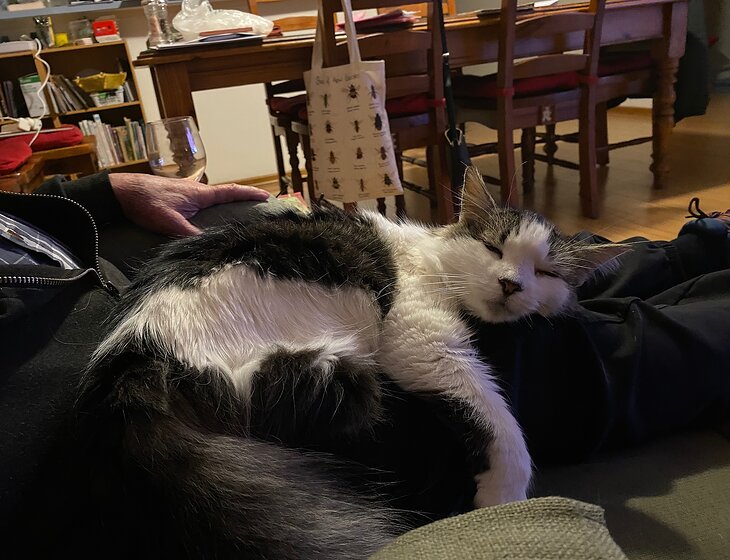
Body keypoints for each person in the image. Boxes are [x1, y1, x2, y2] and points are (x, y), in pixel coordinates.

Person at [1, 171, 729, 537]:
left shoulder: (449, 253)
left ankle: (700, 245)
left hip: (192, 315)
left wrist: (94, 192)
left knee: (561, 284)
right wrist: (504, 446)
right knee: (571, 342)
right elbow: (421, 344)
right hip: (231, 375)